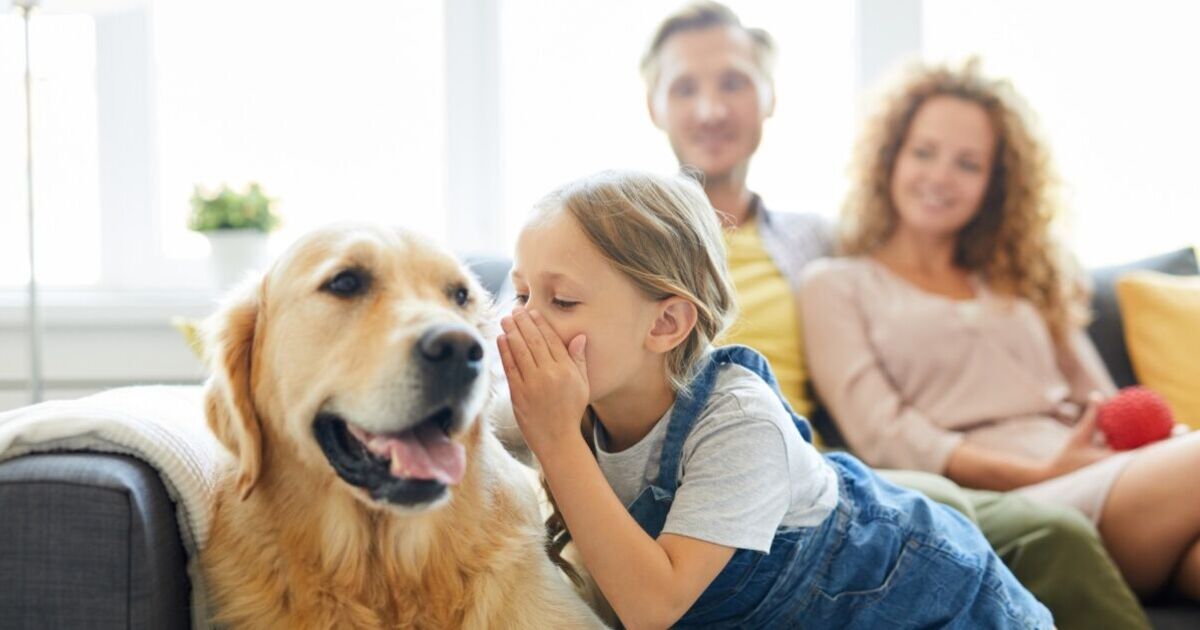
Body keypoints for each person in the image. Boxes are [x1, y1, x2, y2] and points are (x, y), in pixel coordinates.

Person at [638, 2, 1148, 626]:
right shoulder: (625, 241)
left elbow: (903, 279)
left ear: (770, 97)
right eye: (685, 87)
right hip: (706, 479)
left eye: (735, 83)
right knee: (1036, 527)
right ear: (653, 105)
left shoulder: (817, 244)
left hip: (823, 477)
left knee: (1017, 527)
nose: (712, 109)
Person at [498, 169, 1051, 628]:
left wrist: (555, 440)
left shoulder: (739, 423)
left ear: (666, 323)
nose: (524, 320)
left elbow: (652, 606)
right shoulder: (567, 393)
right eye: (521, 294)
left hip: (927, 604)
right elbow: (457, 436)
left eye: (562, 300)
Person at [800, 58, 1200, 602]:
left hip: (1109, 478)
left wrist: (1155, 444)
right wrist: (1037, 472)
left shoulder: (1021, 279)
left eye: (968, 163)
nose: (940, 176)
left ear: (994, 182)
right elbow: (885, 436)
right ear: (890, 157)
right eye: (924, 152)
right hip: (1015, 501)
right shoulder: (837, 285)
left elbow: (1099, 400)